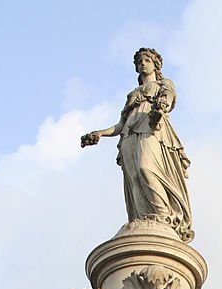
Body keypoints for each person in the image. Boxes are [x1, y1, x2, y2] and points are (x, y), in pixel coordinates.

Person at [81, 48, 193, 242]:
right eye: (140, 61)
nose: (143, 64)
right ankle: (142, 218)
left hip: (151, 129)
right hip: (128, 135)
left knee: (146, 168)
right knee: (134, 177)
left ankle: (162, 216)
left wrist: (160, 109)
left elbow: (167, 99)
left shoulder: (164, 84)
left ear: (155, 65)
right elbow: (120, 125)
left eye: (147, 60)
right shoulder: (133, 94)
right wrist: (99, 133)